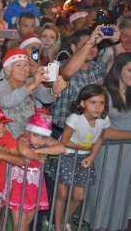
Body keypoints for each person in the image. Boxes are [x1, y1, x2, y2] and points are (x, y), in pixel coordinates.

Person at [84, 52, 131, 231]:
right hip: (107, 154)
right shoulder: (103, 94)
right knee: (103, 199)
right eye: (130, 70)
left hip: (127, 156)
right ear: (119, 70)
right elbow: (100, 131)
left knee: (122, 199)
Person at [55, 84, 110, 231]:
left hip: (85, 155)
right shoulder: (74, 118)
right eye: (93, 102)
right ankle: (57, 227)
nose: (98, 107)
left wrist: (91, 156)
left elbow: (99, 140)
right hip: (67, 153)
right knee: (62, 193)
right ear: (82, 103)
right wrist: (83, 147)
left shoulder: (103, 120)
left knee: (79, 196)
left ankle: (63, 220)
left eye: (102, 103)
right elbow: (64, 141)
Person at [3, 113, 66, 231]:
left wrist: (41, 150)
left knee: (26, 224)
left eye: (43, 137)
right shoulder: (23, 138)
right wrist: (39, 157)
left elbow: (61, 148)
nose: (39, 140)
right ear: (28, 131)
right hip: (19, 187)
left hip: (34, 188)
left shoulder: (42, 143)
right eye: (35, 135)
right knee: (21, 227)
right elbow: (24, 151)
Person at [51, 27, 119, 135]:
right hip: (59, 132)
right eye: (86, 44)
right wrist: (90, 42)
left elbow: (120, 68)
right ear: (73, 47)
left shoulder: (96, 68)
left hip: (86, 133)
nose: (92, 48)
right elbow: (67, 73)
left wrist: (116, 42)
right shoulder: (60, 65)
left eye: (94, 45)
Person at [0, 49, 66, 138]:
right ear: (8, 70)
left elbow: (46, 98)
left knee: (58, 147)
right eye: (18, 65)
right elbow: (7, 102)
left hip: (30, 135)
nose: (23, 69)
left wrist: (54, 91)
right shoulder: (0, 86)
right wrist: (32, 84)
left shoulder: (30, 81)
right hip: (9, 138)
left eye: (26, 65)